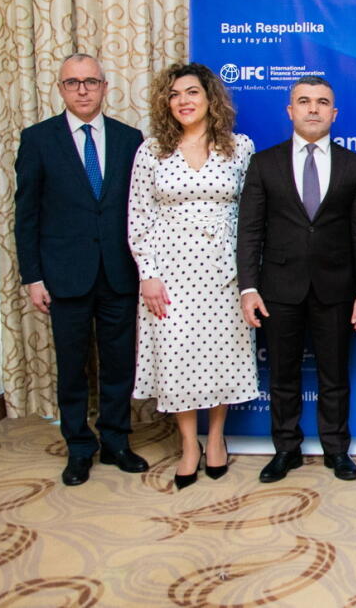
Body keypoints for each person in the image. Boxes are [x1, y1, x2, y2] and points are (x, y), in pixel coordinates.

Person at [14, 53, 149, 486]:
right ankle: (78, 448)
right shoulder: (38, 139)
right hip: (64, 276)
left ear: (105, 87)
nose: (83, 90)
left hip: (119, 274)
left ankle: (116, 441)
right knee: (72, 368)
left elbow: (141, 209)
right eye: (73, 83)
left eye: (91, 81)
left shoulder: (130, 139)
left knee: (119, 364)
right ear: (61, 89)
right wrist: (33, 277)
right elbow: (26, 215)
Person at [237, 76, 356, 483]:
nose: (313, 109)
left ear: (334, 113)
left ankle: (336, 449)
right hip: (279, 288)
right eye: (304, 101)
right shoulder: (264, 164)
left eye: (321, 102)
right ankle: (286, 449)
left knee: (335, 375)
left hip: (337, 287)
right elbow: (250, 231)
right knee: (282, 376)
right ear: (290, 110)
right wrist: (248, 287)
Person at [128, 62, 257, 489]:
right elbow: (139, 216)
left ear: (210, 98)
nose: (183, 101)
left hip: (224, 273)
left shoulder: (239, 147)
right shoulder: (152, 151)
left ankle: (215, 438)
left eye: (192, 92)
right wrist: (148, 274)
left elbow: (251, 216)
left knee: (221, 355)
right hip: (169, 276)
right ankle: (188, 444)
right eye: (174, 95)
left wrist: (248, 276)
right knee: (177, 358)